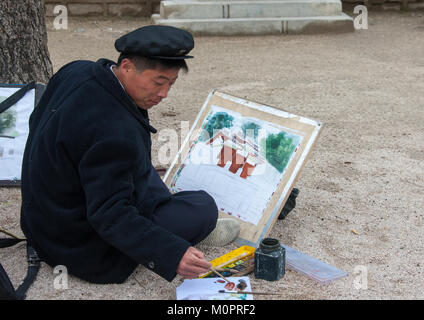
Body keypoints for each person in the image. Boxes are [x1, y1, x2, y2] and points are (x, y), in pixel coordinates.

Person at [20, 25, 240, 284]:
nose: (164, 94)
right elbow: (108, 213)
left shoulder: (77, 70)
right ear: (126, 67)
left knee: (140, 169)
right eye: (158, 82)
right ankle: (189, 232)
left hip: (41, 218)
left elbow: (37, 120)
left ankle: (159, 206)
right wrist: (170, 251)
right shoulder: (114, 130)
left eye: (171, 83)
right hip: (76, 243)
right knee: (202, 208)